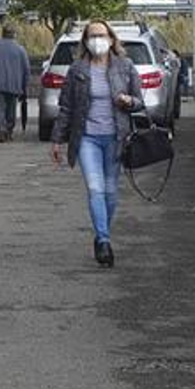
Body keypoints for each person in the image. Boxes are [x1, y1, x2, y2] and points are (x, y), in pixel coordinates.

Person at [51, 20, 145, 268]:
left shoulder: (125, 67)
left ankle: (101, 231)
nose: (97, 40)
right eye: (92, 36)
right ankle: (104, 241)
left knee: (111, 191)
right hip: (87, 137)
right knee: (95, 189)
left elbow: (140, 102)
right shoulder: (77, 70)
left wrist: (128, 101)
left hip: (116, 137)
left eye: (102, 35)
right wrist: (58, 140)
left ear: (112, 39)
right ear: (85, 41)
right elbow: (66, 107)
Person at [0, 24, 33, 143]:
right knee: (11, 109)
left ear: (2, 33)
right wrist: (24, 87)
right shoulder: (20, 49)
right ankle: (9, 130)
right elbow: (26, 70)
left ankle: (1, 129)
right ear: (14, 34)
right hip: (15, 85)